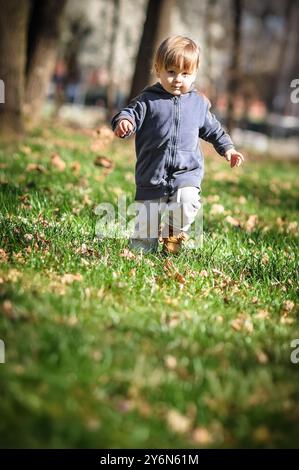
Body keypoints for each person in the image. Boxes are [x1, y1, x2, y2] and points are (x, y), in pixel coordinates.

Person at [111, 36, 244, 254]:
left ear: (195, 73)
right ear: (158, 69)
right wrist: (124, 121)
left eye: (185, 74)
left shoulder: (198, 104)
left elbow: (214, 130)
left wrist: (228, 149)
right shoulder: (147, 100)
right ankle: (140, 253)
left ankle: (173, 234)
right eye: (171, 72)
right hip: (152, 174)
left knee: (188, 202)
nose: (177, 79)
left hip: (187, 172)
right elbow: (129, 113)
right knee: (146, 227)